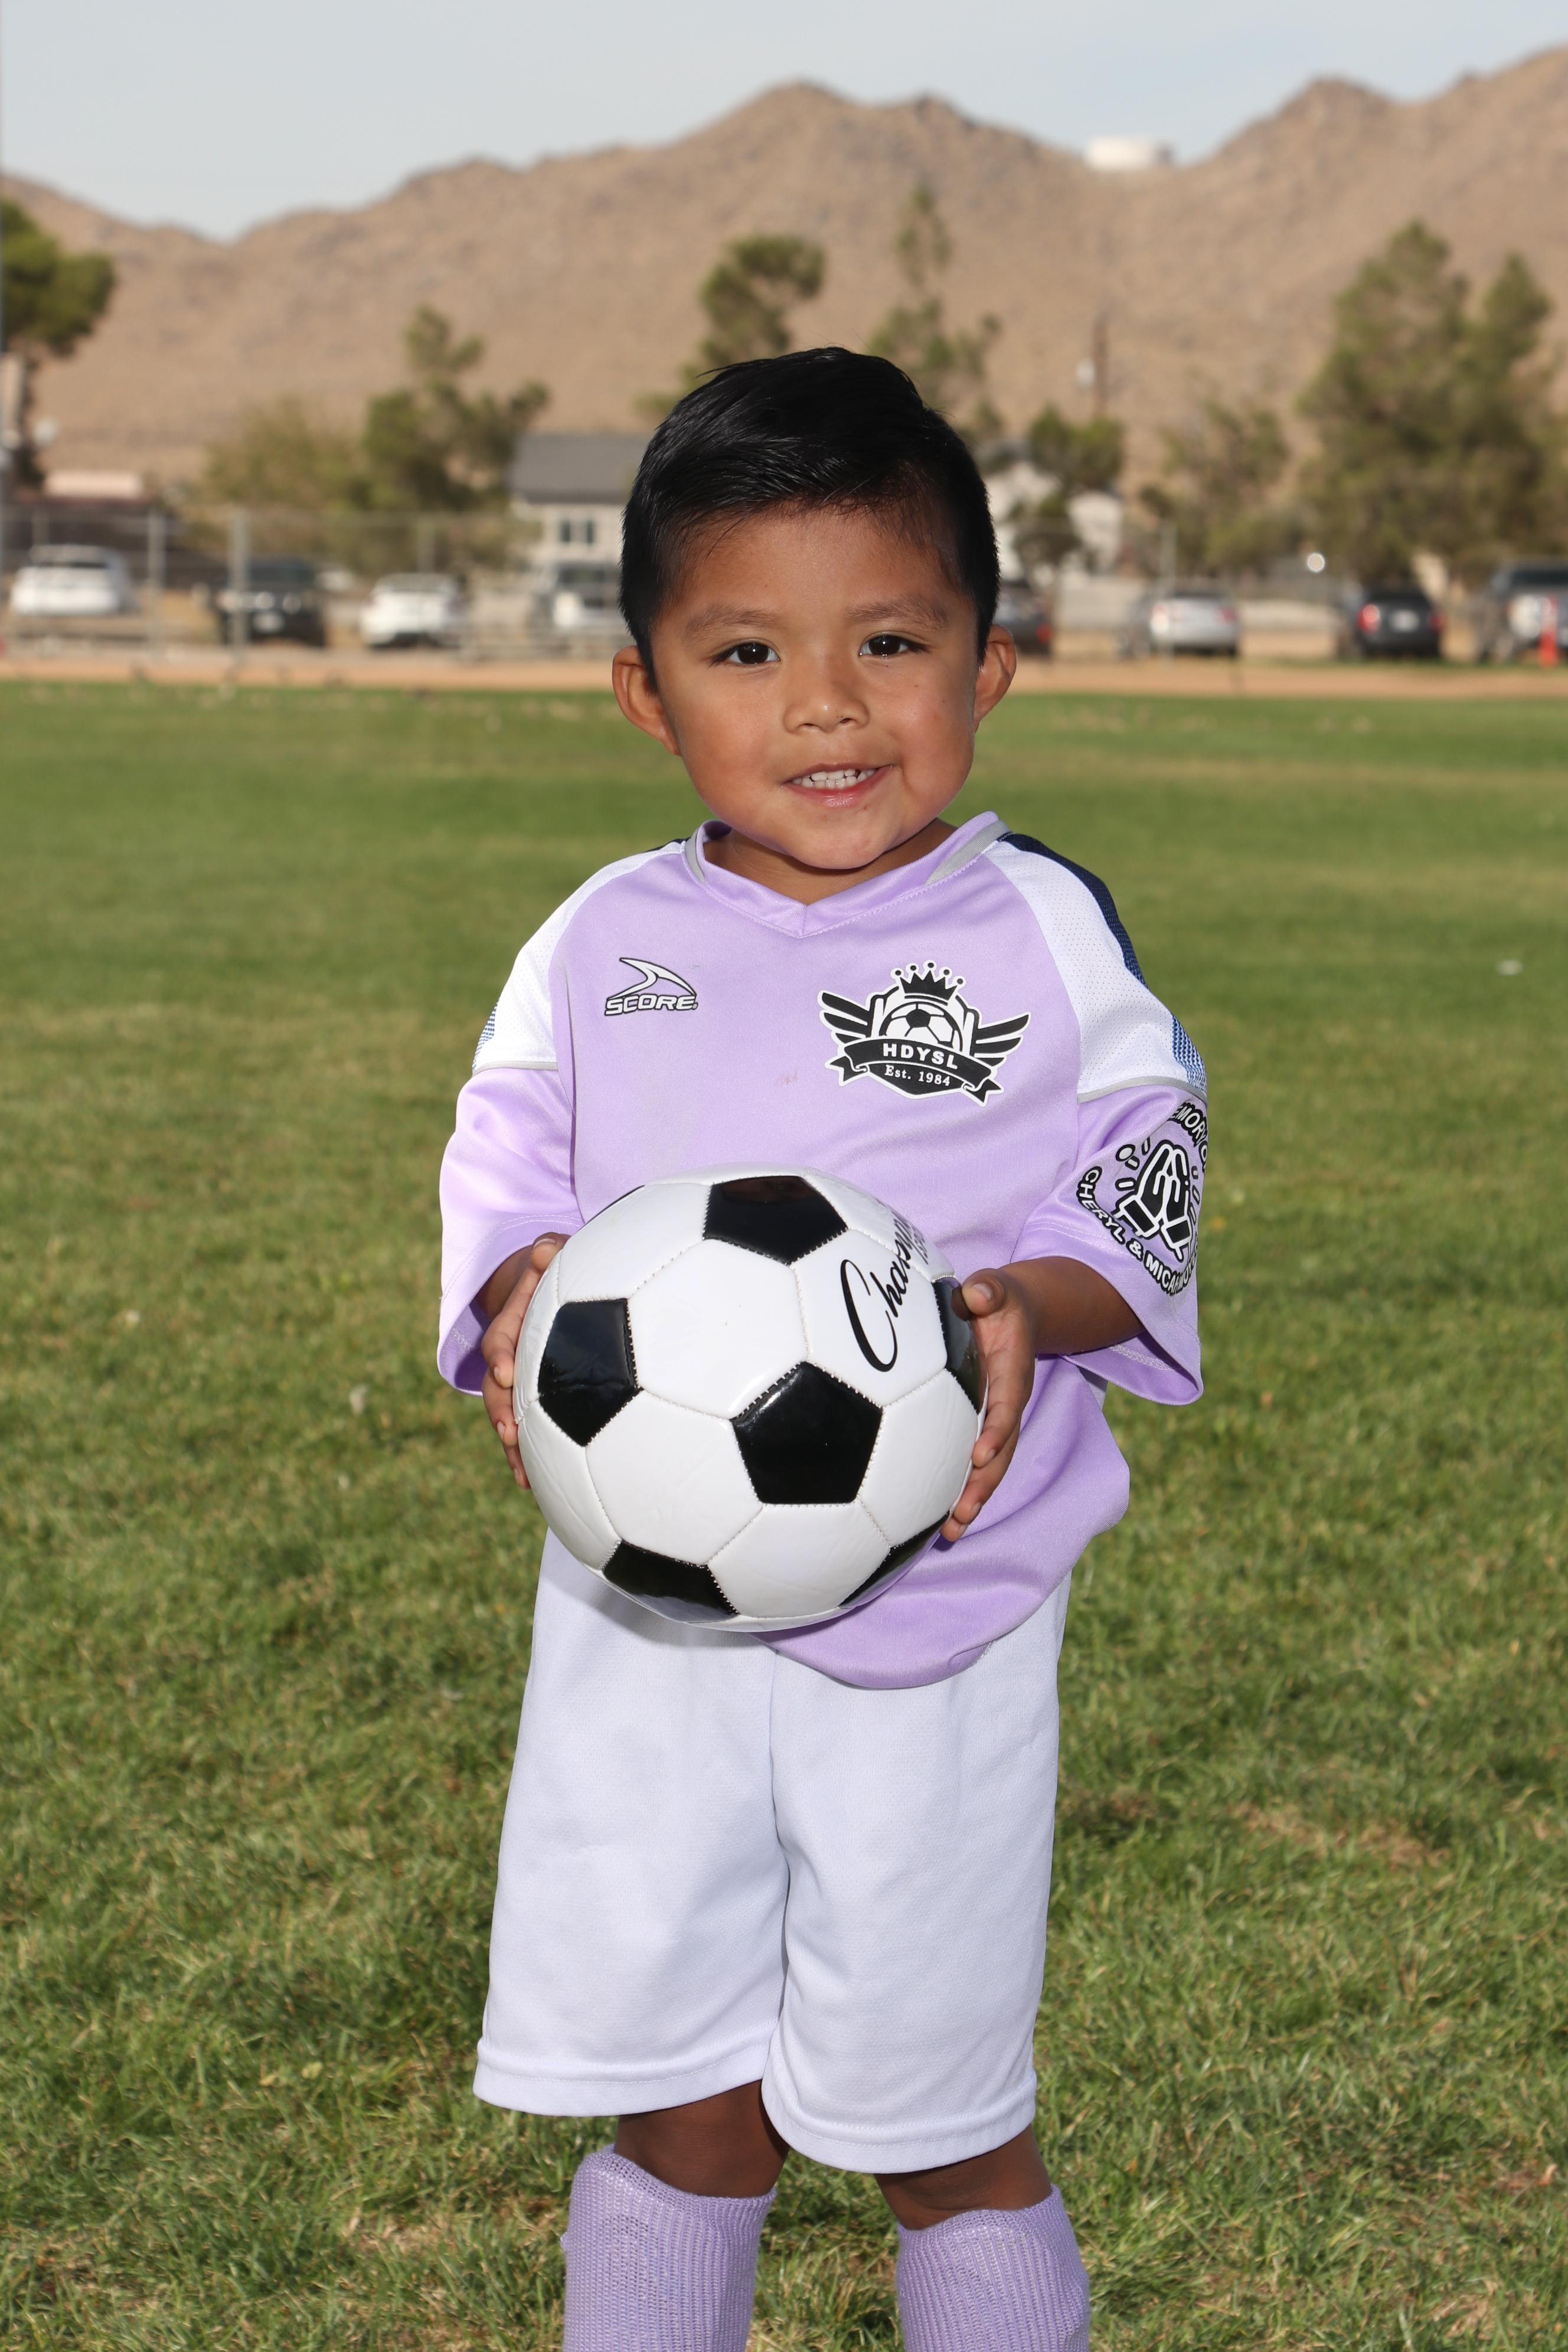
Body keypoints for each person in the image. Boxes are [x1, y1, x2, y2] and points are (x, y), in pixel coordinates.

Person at [437, 348, 1206, 2351]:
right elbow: (503, 1150)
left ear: (989, 662)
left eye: (889, 640)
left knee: (940, 2124)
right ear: (645, 690)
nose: (828, 705)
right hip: (646, 1628)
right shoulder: (598, 941)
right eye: (748, 651)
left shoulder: (1039, 928)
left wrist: (1044, 1307)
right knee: (684, 2104)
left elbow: (1147, 1154)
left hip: (940, 1624)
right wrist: (514, 1287)